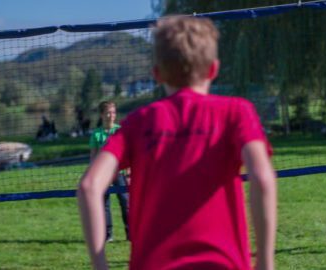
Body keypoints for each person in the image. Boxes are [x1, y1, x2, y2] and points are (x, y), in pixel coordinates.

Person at [77, 16, 277, 270]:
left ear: (157, 74)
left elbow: (89, 187)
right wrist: (265, 262)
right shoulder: (237, 112)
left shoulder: (137, 123)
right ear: (214, 69)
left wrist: (100, 265)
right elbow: (262, 178)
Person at [88, 101, 129, 242]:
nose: (111, 115)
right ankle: (108, 234)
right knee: (104, 204)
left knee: (125, 201)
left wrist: (129, 171)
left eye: (113, 112)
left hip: (119, 172)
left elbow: (128, 153)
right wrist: (93, 174)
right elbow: (93, 156)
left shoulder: (120, 130)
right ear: (101, 115)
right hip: (103, 174)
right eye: (108, 113)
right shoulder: (97, 134)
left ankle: (130, 233)